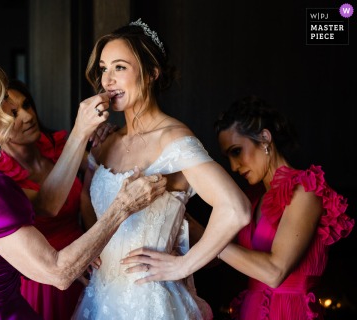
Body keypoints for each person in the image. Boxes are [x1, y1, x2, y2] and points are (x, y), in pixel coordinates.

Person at [0, 43, 167, 319]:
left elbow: (46, 204)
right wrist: (122, 207)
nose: (9, 108)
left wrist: (79, 131)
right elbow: (58, 272)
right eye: (0, 99)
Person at [71, 19, 251, 320]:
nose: (107, 80)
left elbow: (236, 209)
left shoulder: (174, 138)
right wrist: (94, 249)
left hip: (150, 303)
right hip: (100, 299)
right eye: (103, 68)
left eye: (119, 67)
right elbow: (89, 201)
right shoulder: (107, 142)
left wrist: (183, 265)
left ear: (152, 73)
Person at [123, 95, 355, 320]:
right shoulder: (251, 199)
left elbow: (274, 272)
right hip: (252, 311)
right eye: (228, 157)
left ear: (264, 138)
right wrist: (176, 217)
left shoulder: (305, 190)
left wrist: (201, 250)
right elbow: (217, 258)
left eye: (236, 151)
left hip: (289, 312)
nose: (234, 166)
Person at [0, 79, 116, 320]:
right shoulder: (0, 177)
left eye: (27, 105)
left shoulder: (56, 147)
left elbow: (102, 168)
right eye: (14, 113)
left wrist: (106, 142)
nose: (28, 116)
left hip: (87, 257)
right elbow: (46, 205)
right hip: (46, 276)